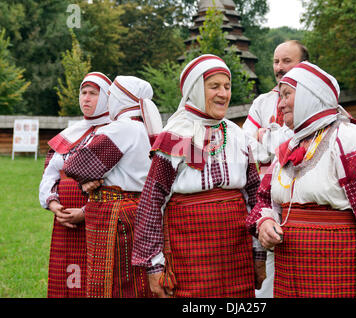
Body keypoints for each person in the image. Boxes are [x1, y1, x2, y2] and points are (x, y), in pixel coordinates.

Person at [246, 61, 356, 298]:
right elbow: (263, 199)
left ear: (310, 95)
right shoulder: (286, 149)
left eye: (286, 95)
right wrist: (264, 223)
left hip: (339, 275)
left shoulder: (351, 141)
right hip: (290, 278)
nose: (280, 105)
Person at [131, 54, 264, 298]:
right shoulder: (174, 136)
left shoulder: (238, 136)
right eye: (214, 86)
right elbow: (151, 204)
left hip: (237, 253)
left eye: (227, 86)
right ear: (194, 91)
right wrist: (154, 265)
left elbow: (254, 196)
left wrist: (258, 253)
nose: (223, 94)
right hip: (189, 253)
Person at [63, 76, 163, 298]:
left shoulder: (121, 128)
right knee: (133, 281)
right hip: (137, 210)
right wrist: (88, 180)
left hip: (115, 216)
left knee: (114, 283)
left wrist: (88, 178)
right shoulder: (143, 127)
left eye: (111, 96)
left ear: (119, 98)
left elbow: (76, 165)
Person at [242, 40, 309, 298]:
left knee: (297, 254)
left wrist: (266, 136)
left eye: (286, 61)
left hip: (300, 190)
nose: (279, 67)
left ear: (304, 64)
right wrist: (276, 140)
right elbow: (247, 147)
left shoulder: (315, 99)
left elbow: (300, 144)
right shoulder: (261, 102)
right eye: (275, 61)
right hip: (265, 194)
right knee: (266, 258)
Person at [39, 72, 112, 297]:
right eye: (83, 93)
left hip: (99, 218)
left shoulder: (115, 133)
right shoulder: (69, 134)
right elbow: (50, 174)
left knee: (96, 277)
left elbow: (116, 181)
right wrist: (53, 204)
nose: (86, 99)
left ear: (108, 98)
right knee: (67, 277)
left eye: (93, 93)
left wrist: (85, 212)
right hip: (64, 220)